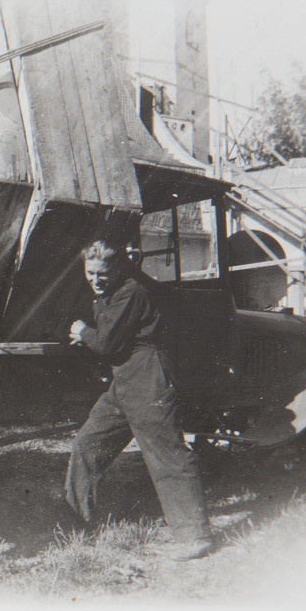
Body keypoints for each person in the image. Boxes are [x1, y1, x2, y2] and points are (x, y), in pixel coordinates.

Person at [64, 239, 216, 561]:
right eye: (90, 273)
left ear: (117, 268)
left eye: (102, 273)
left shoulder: (131, 291)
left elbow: (105, 343)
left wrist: (83, 332)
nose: (95, 280)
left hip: (149, 380)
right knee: (88, 443)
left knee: (167, 455)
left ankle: (195, 536)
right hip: (125, 383)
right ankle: (76, 522)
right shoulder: (109, 294)